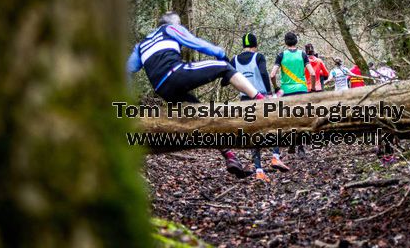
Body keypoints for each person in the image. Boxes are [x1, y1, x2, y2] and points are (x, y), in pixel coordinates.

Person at [127, 11, 264, 178]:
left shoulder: (141, 45)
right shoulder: (170, 29)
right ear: (172, 23)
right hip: (176, 73)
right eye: (179, 25)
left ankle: (230, 157)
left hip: (162, 89)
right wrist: (220, 53)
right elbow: (195, 43)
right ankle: (261, 100)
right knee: (224, 66)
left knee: (203, 116)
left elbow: (128, 70)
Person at [231, 33, 289, 182]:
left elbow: (228, 78)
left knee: (253, 134)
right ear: (255, 45)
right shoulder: (258, 57)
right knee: (274, 126)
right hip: (261, 97)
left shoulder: (234, 60)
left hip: (244, 100)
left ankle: (259, 170)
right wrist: (270, 93)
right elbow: (264, 73)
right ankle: (275, 157)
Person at [270, 32, 316, 156]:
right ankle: (300, 146)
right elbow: (312, 73)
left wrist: (276, 88)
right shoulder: (302, 54)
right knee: (301, 118)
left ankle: (291, 142)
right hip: (301, 89)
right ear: (296, 42)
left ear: (285, 42)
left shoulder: (281, 55)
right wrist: (311, 89)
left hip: (286, 91)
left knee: (289, 118)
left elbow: (272, 75)